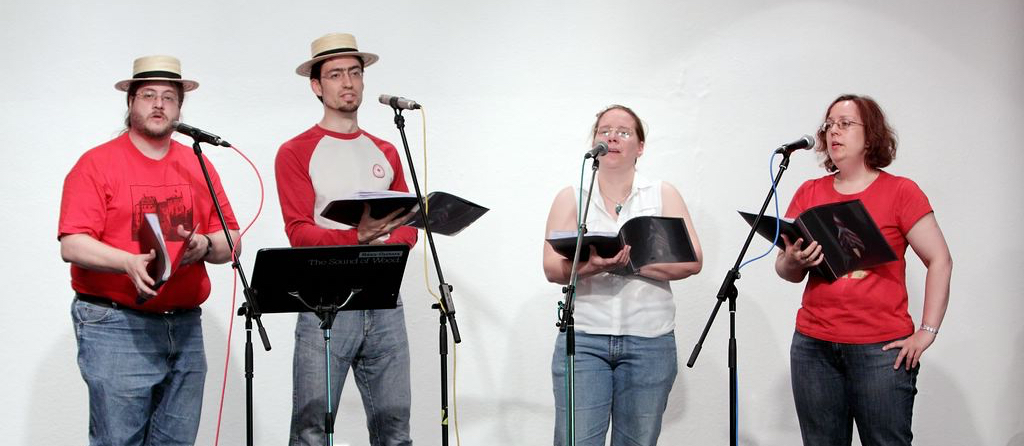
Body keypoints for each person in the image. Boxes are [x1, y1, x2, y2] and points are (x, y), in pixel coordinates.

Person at [58, 55, 241, 445]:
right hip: (116, 326)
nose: (158, 104)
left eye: (169, 97)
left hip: (186, 326)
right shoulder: (96, 164)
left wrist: (204, 245)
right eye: (148, 95)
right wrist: (126, 262)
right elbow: (72, 242)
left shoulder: (197, 164)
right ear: (130, 103)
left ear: (179, 108)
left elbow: (231, 239)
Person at [775, 94, 952, 446]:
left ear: (870, 135)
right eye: (828, 126)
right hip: (814, 345)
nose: (833, 132)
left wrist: (927, 330)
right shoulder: (810, 192)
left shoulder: (900, 191)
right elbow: (787, 270)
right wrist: (793, 260)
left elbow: (940, 260)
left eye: (845, 124)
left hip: (881, 350)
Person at [275, 33, 418, 446]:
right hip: (324, 302)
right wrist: (358, 236)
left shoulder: (386, 149)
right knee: (311, 430)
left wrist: (396, 243)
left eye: (355, 72)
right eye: (335, 74)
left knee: (395, 429)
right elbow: (299, 232)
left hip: (385, 298)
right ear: (316, 86)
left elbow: (407, 221)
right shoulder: (296, 151)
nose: (348, 83)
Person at [542, 105, 703, 446]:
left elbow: (692, 261)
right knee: (577, 441)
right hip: (585, 339)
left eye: (624, 132)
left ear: (640, 147)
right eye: (604, 131)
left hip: (649, 341)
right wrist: (593, 266)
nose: (612, 137)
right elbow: (551, 268)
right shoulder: (573, 196)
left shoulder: (662, 194)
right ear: (595, 142)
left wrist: (632, 264)